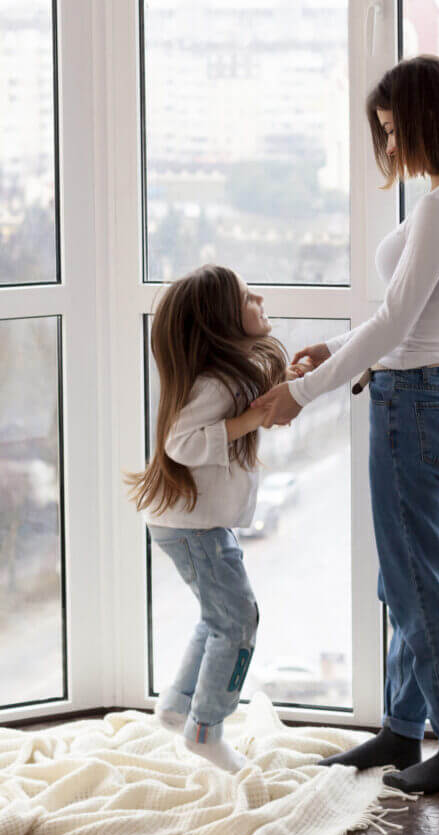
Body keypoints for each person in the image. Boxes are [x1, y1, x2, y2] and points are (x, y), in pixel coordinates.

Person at [252, 55, 439, 794]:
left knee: (418, 587)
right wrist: (341, 350)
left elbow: (396, 321)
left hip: (415, 406)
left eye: (394, 131)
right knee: (409, 582)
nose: (389, 148)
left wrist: (306, 392)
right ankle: (401, 730)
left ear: (427, 120)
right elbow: (410, 317)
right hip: (436, 394)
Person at [125, 264, 308, 773]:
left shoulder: (230, 374)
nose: (262, 297)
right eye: (251, 297)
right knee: (239, 622)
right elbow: (178, 443)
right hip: (190, 528)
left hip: (191, 524)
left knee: (220, 617)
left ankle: (179, 708)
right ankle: (205, 731)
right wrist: (249, 419)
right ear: (224, 319)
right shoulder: (213, 384)